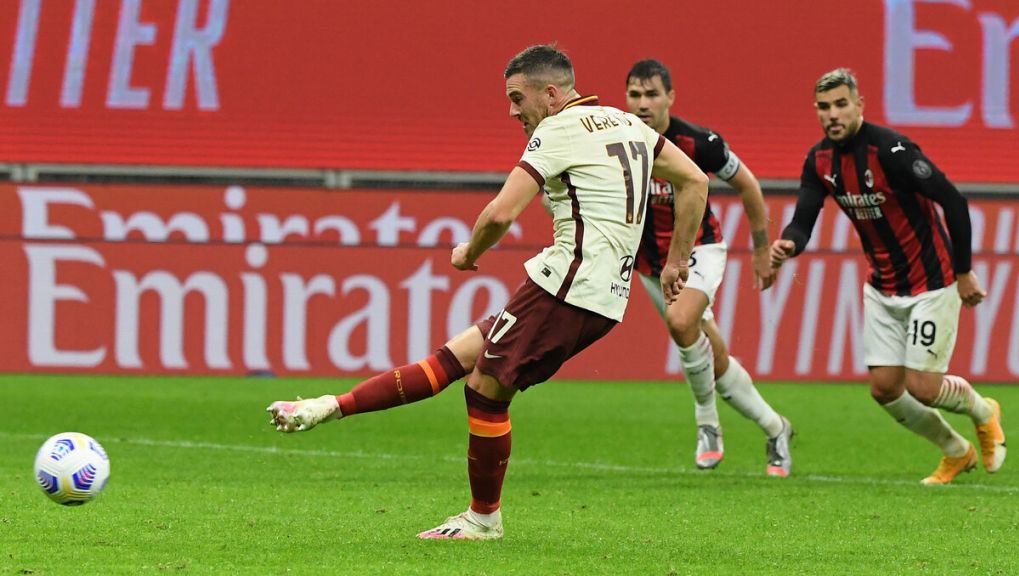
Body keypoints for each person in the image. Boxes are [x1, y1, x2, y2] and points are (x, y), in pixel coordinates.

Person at [269, 44, 709, 539]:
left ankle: (483, 519)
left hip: (569, 286)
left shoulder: (557, 129)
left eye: (518, 98)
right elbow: (694, 180)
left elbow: (500, 213)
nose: (512, 110)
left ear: (550, 93)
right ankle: (329, 406)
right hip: (590, 290)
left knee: (484, 391)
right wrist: (676, 260)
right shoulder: (627, 124)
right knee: (456, 357)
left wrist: (468, 252)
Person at [769, 68, 1006, 485]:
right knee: (884, 388)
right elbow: (804, 219)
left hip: (932, 280)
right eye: (824, 107)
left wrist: (965, 271)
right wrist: (789, 243)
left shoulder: (891, 151)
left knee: (924, 388)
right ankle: (956, 451)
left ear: (859, 105)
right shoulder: (819, 160)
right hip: (882, 286)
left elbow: (953, 200)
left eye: (841, 104)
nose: (833, 115)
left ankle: (984, 412)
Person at [625, 59, 793, 476]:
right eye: (635, 94)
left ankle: (707, 424)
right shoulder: (620, 141)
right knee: (711, 354)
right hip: (649, 264)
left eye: (652, 94)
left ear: (670, 97)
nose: (643, 103)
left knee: (682, 323)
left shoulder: (700, 142)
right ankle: (776, 428)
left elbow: (748, 185)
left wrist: (759, 249)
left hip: (701, 249)